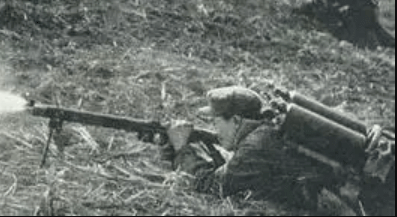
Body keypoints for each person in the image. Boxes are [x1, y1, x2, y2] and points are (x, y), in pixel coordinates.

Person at [166, 86, 394, 216]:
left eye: (216, 121)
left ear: (236, 120)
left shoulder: (256, 146)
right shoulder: (271, 129)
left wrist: (182, 148)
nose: (214, 128)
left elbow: (211, 185)